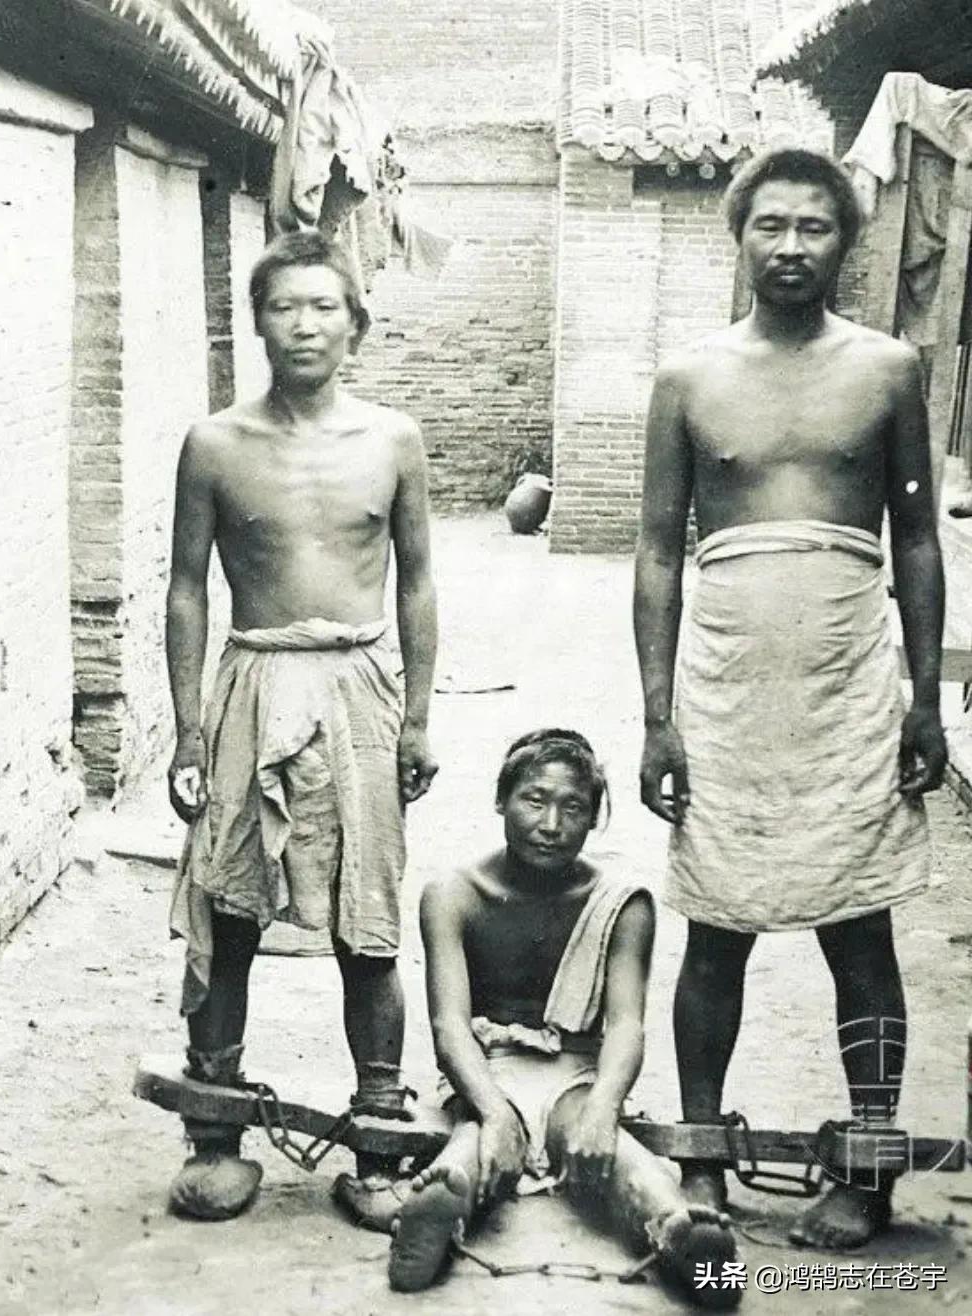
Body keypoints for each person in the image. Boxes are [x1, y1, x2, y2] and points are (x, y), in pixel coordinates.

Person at [634, 148, 947, 1250]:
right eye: (772, 225)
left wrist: (924, 699)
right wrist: (657, 714)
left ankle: (866, 1168)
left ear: (846, 243)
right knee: (715, 929)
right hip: (723, 684)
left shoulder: (889, 369)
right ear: (740, 233)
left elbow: (915, 534)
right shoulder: (688, 377)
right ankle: (705, 1161)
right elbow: (660, 554)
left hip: (849, 680)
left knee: (859, 928)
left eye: (816, 228)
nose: (792, 247)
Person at [164, 230, 439, 1225]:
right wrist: (189, 732)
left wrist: (416, 715)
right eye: (288, 305)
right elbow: (188, 589)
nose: (308, 323)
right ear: (259, 319)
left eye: (327, 305)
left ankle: (380, 1133)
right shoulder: (215, 444)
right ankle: (213, 1124)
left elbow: (418, 582)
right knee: (229, 908)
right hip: (252, 676)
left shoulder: (393, 440)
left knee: (368, 919)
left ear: (355, 323)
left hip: (360, 683)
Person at [387, 729, 738, 1303]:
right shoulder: (452, 895)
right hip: (484, 1071)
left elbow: (626, 1023)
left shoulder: (620, 902)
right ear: (501, 800)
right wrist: (496, 1110)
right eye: (534, 800)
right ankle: (437, 1212)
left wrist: (604, 1106)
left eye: (572, 807)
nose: (551, 824)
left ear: (594, 819)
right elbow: (450, 1027)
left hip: (576, 1072)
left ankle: (683, 1233)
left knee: (611, 1148)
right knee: (476, 1136)